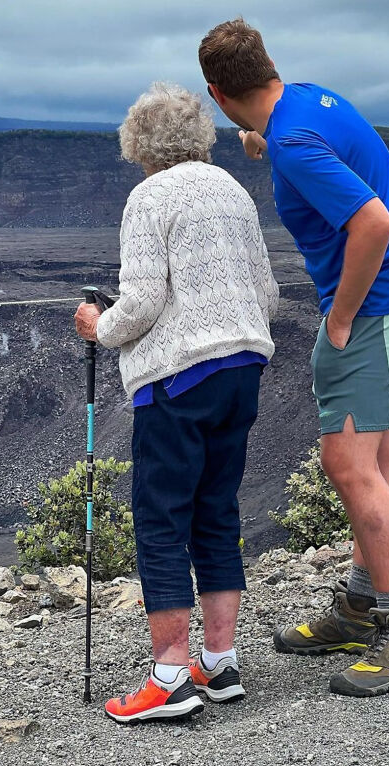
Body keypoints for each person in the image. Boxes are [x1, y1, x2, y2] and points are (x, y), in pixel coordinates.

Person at [199, 19, 389, 698]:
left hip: (376, 308)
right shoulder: (305, 102)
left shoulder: (295, 141)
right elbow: (284, 139)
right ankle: (366, 606)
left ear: (217, 92)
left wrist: (339, 318)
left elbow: (372, 222)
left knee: (349, 463)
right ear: (267, 68)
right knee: (383, 458)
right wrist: (262, 143)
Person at [74, 82, 278, 722]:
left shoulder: (150, 196)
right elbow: (266, 290)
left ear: (139, 144)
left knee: (162, 518)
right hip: (244, 366)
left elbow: (139, 301)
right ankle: (218, 662)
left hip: (179, 379)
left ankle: (168, 677)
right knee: (216, 509)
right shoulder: (234, 192)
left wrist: (96, 327)